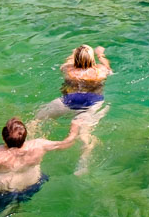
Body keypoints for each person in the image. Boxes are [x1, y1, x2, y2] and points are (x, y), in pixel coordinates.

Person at [0, 118, 82, 213]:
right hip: (32, 186)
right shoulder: (39, 145)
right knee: (16, 205)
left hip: (1, 192)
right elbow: (67, 143)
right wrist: (74, 129)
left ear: (3, 137)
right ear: (25, 136)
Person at [32, 45, 114, 174]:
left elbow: (68, 62)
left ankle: (28, 146)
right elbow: (108, 68)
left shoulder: (68, 70)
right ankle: (83, 163)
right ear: (92, 59)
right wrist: (100, 55)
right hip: (92, 103)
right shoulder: (101, 71)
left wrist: (73, 55)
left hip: (68, 102)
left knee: (37, 118)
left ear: (75, 58)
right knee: (85, 134)